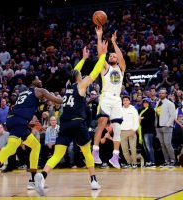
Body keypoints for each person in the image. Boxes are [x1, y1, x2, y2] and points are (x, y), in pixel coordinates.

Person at [34, 38, 108, 196]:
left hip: (64, 124)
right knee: (86, 151)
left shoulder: (68, 86)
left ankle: (43, 176)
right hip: (77, 123)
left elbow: (74, 71)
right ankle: (94, 180)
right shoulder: (81, 85)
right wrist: (103, 55)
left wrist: (83, 59)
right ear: (79, 77)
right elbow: (95, 72)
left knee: (57, 154)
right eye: (81, 74)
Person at [0, 74, 63, 193]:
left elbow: (23, 107)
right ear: (33, 81)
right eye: (38, 78)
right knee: (11, 146)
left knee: (35, 145)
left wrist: (29, 122)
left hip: (15, 120)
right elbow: (57, 100)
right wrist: (69, 98)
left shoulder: (23, 92)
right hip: (19, 121)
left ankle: (33, 179)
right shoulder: (40, 90)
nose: (40, 80)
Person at [92, 26, 126, 169]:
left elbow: (122, 57)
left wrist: (114, 43)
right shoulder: (106, 68)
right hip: (105, 97)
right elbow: (101, 55)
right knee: (102, 123)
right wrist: (99, 37)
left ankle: (115, 156)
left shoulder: (121, 68)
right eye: (111, 56)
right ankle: (95, 151)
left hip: (117, 99)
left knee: (117, 128)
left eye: (114, 56)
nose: (113, 57)